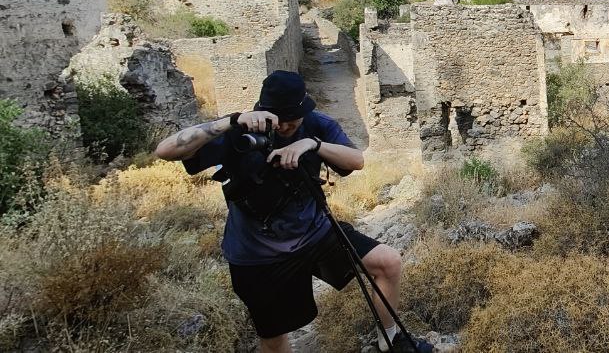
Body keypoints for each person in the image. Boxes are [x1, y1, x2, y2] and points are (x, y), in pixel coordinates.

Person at [154, 70, 430, 353]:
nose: (285, 127)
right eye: (279, 120)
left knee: (388, 263)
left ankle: (388, 341)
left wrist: (313, 144)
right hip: (257, 256)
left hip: (316, 234)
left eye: (292, 120)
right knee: (274, 339)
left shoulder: (315, 124)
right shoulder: (240, 132)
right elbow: (165, 150)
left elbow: (356, 161)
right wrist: (230, 121)